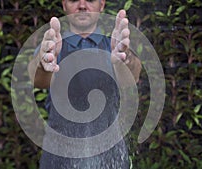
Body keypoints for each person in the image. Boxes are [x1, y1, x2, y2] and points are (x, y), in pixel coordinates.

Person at [28, 0, 141, 168]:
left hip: (111, 159)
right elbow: (37, 79)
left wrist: (124, 58)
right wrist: (44, 62)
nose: (82, 5)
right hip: (59, 160)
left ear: (101, 5)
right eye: (74, 0)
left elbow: (133, 76)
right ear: (64, 4)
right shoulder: (54, 45)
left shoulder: (113, 45)